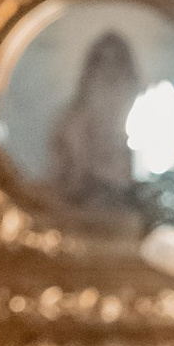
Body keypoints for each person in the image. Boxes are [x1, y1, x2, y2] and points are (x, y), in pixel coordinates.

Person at [46, 31, 148, 216]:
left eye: (118, 63)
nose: (111, 73)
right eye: (103, 62)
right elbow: (64, 180)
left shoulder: (145, 119)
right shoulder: (71, 124)